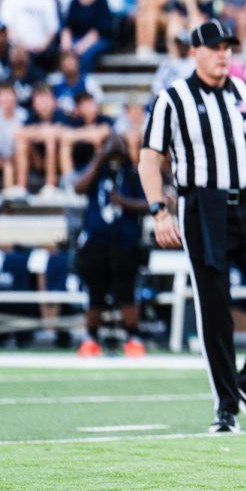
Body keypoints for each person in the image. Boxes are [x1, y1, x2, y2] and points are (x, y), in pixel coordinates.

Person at [139, 20, 246, 433]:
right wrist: (159, 210)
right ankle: (226, 406)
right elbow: (149, 157)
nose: (223, 53)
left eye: (228, 46)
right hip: (202, 206)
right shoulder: (173, 99)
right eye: (214, 47)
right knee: (215, 308)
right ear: (194, 51)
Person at [74, 134, 147, 357]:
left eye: (119, 146)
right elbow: (78, 187)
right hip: (97, 240)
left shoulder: (134, 174)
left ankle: (133, 336)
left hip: (126, 241)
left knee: (127, 292)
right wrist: (99, 158)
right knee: (95, 291)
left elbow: (148, 203)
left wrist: (123, 202)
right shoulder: (97, 171)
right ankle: (91, 337)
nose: (115, 151)